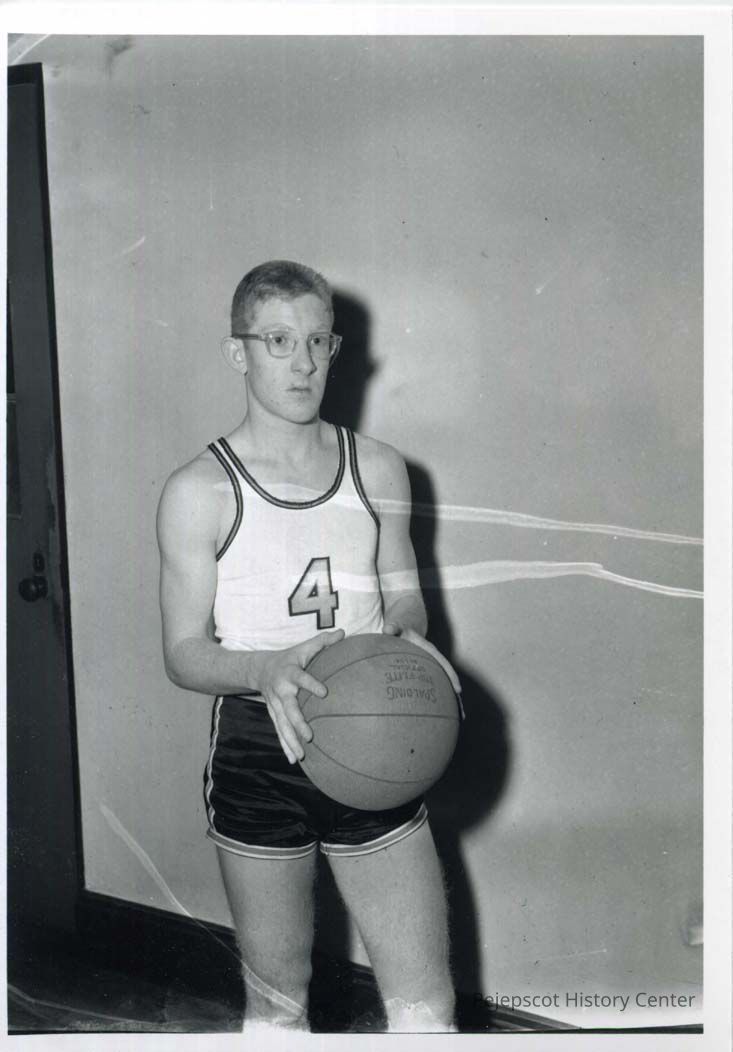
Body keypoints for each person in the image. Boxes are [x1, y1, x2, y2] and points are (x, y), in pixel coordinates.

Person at [156, 260, 460, 1033]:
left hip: (372, 733)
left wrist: (407, 642)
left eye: (317, 341)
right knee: (277, 1004)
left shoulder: (379, 467)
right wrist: (264, 668)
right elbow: (183, 652)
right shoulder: (198, 490)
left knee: (426, 1007)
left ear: (334, 349)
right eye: (278, 340)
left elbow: (404, 597)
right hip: (261, 744)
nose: (301, 363)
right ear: (238, 352)